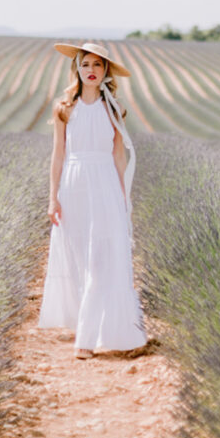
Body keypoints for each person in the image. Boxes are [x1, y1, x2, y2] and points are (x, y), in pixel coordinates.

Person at [38, 41, 147, 359]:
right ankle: (90, 326)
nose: (91, 70)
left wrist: (123, 200)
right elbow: (57, 155)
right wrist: (52, 198)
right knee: (81, 260)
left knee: (101, 259)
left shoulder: (114, 109)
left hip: (105, 186)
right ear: (77, 69)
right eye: (85, 64)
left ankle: (86, 340)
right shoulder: (63, 108)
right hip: (74, 185)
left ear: (106, 71)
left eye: (98, 65)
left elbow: (118, 155)